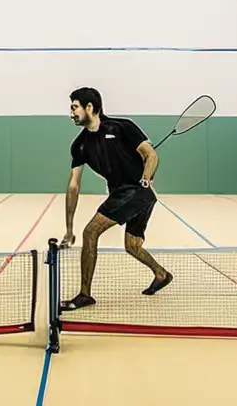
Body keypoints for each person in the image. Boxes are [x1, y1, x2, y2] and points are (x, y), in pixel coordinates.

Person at [59, 87, 172, 310]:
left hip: (137, 190)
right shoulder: (80, 145)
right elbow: (74, 185)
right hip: (127, 194)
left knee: (90, 232)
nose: (71, 113)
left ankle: (84, 294)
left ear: (89, 107)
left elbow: (151, 155)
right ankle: (161, 274)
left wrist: (146, 177)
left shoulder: (122, 127)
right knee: (133, 245)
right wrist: (69, 228)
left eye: (74, 107)